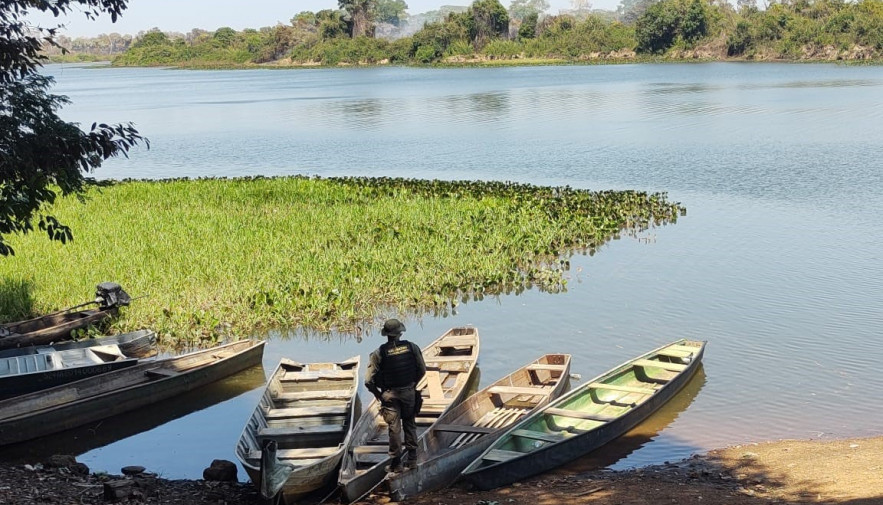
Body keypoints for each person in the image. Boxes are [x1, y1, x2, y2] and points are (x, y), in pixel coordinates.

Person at [365, 318, 427, 473]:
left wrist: (378, 394)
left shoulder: (378, 353)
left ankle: (396, 464)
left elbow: (368, 381)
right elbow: (422, 370)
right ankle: (412, 460)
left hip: (389, 395)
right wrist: (413, 384)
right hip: (408, 393)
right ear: (400, 332)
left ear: (386, 334)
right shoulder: (412, 347)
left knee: (394, 429)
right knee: (410, 423)